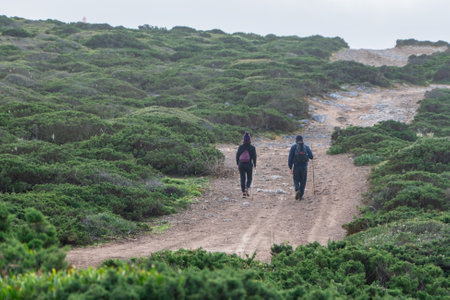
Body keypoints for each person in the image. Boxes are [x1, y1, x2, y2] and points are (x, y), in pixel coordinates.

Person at [288, 135, 314, 200]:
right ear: (302, 140)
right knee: (303, 181)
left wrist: (290, 167)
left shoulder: (293, 147)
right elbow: (311, 156)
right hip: (304, 167)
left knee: (296, 179)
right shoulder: (306, 147)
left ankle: (297, 190)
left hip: (296, 166)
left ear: (296, 140)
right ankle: (301, 196)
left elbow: (290, 158)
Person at [236, 132, 257, 198]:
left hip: (241, 164)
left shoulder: (240, 147)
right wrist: (255, 164)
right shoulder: (252, 148)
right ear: (250, 140)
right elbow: (254, 157)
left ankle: (244, 193)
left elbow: (237, 156)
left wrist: (237, 163)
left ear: (244, 140)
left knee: (242, 178)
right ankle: (247, 187)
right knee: (249, 177)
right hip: (249, 164)